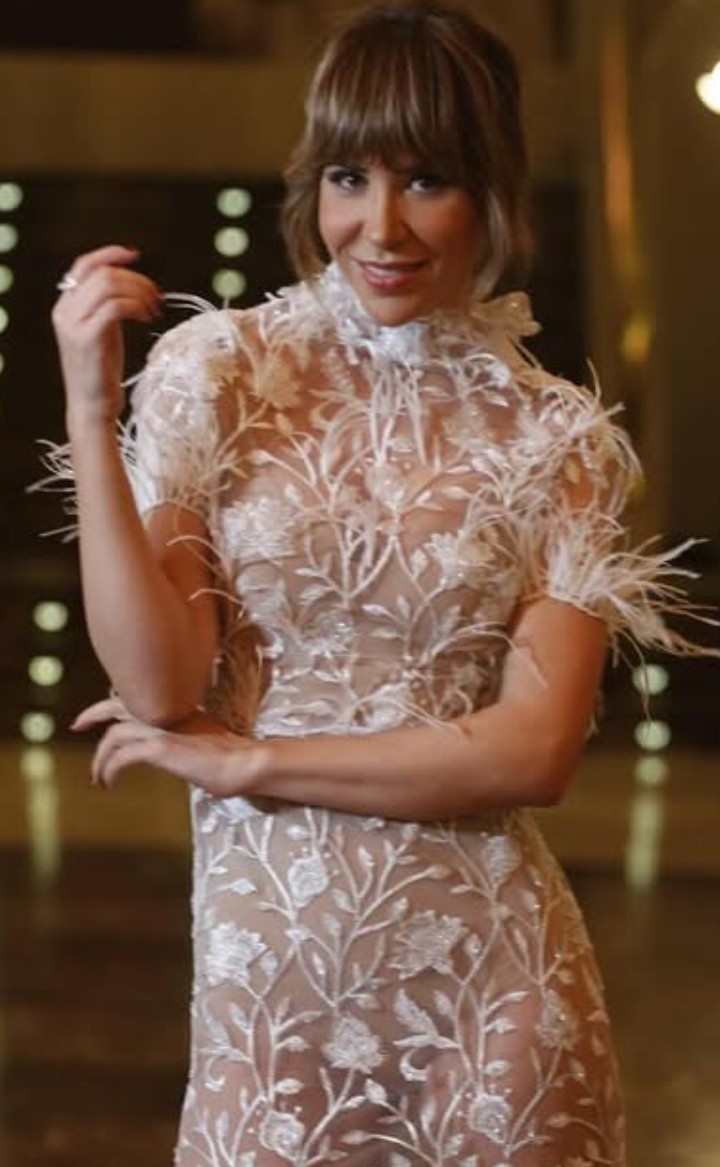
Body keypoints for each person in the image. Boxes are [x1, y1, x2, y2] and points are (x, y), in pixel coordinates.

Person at [47, 3, 713, 1163]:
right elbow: (158, 686)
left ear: (491, 192)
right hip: (268, 1002)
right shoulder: (218, 370)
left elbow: (533, 754)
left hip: (492, 1006)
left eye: (429, 180)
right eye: (350, 177)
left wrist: (255, 763)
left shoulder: (559, 435)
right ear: (313, 183)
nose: (382, 225)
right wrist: (92, 414)